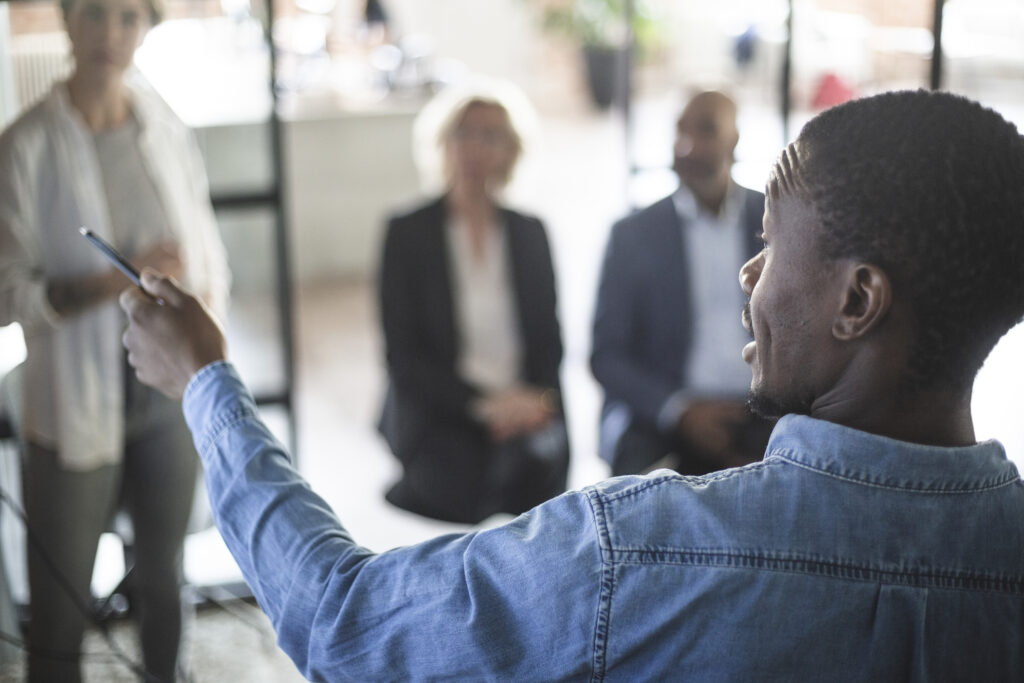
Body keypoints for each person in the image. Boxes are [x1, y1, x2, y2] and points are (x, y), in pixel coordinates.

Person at [121, 90, 1024, 680]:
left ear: (857, 298)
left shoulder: (642, 551)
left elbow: (345, 619)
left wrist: (205, 378)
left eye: (774, 244)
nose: (749, 275)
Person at [0, 0, 231, 679]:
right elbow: (7, 293)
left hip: (167, 395)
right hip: (73, 400)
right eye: (96, 13)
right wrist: (107, 283)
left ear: (147, 29)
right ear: (67, 21)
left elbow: (209, 257)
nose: (111, 34)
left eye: (130, 18)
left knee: (163, 574)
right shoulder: (24, 145)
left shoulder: (166, 128)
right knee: (62, 601)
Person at [376, 86, 569, 524]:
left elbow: (549, 340)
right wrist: (484, 407)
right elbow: (402, 355)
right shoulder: (407, 232)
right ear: (443, 143)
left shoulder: (529, 232)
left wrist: (533, 400)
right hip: (444, 413)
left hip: (524, 407)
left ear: (510, 152)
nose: (475, 146)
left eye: (491, 136)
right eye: (464, 132)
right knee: (458, 488)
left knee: (540, 487)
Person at [591, 90, 773, 476]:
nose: (687, 146)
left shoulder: (775, 223)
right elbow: (607, 355)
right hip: (666, 414)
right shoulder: (633, 234)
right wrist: (680, 410)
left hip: (763, 410)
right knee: (635, 496)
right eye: (680, 131)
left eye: (706, 130)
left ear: (734, 138)